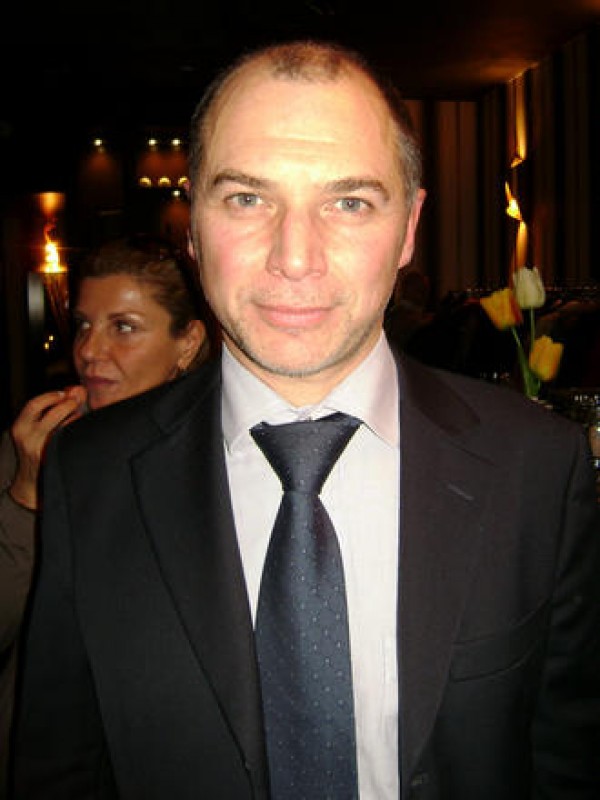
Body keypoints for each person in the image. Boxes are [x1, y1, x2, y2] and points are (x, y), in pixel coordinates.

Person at [12, 40, 600, 800]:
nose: (295, 258)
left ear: (409, 227)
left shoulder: (537, 465)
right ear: (193, 227)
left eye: (349, 202)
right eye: (247, 199)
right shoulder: (90, 473)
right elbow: (60, 769)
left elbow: (568, 760)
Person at [0, 234, 208, 798]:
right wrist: (28, 494)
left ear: (188, 342)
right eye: (84, 325)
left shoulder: (218, 458)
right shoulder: (36, 443)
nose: (90, 350)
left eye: (124, 327)